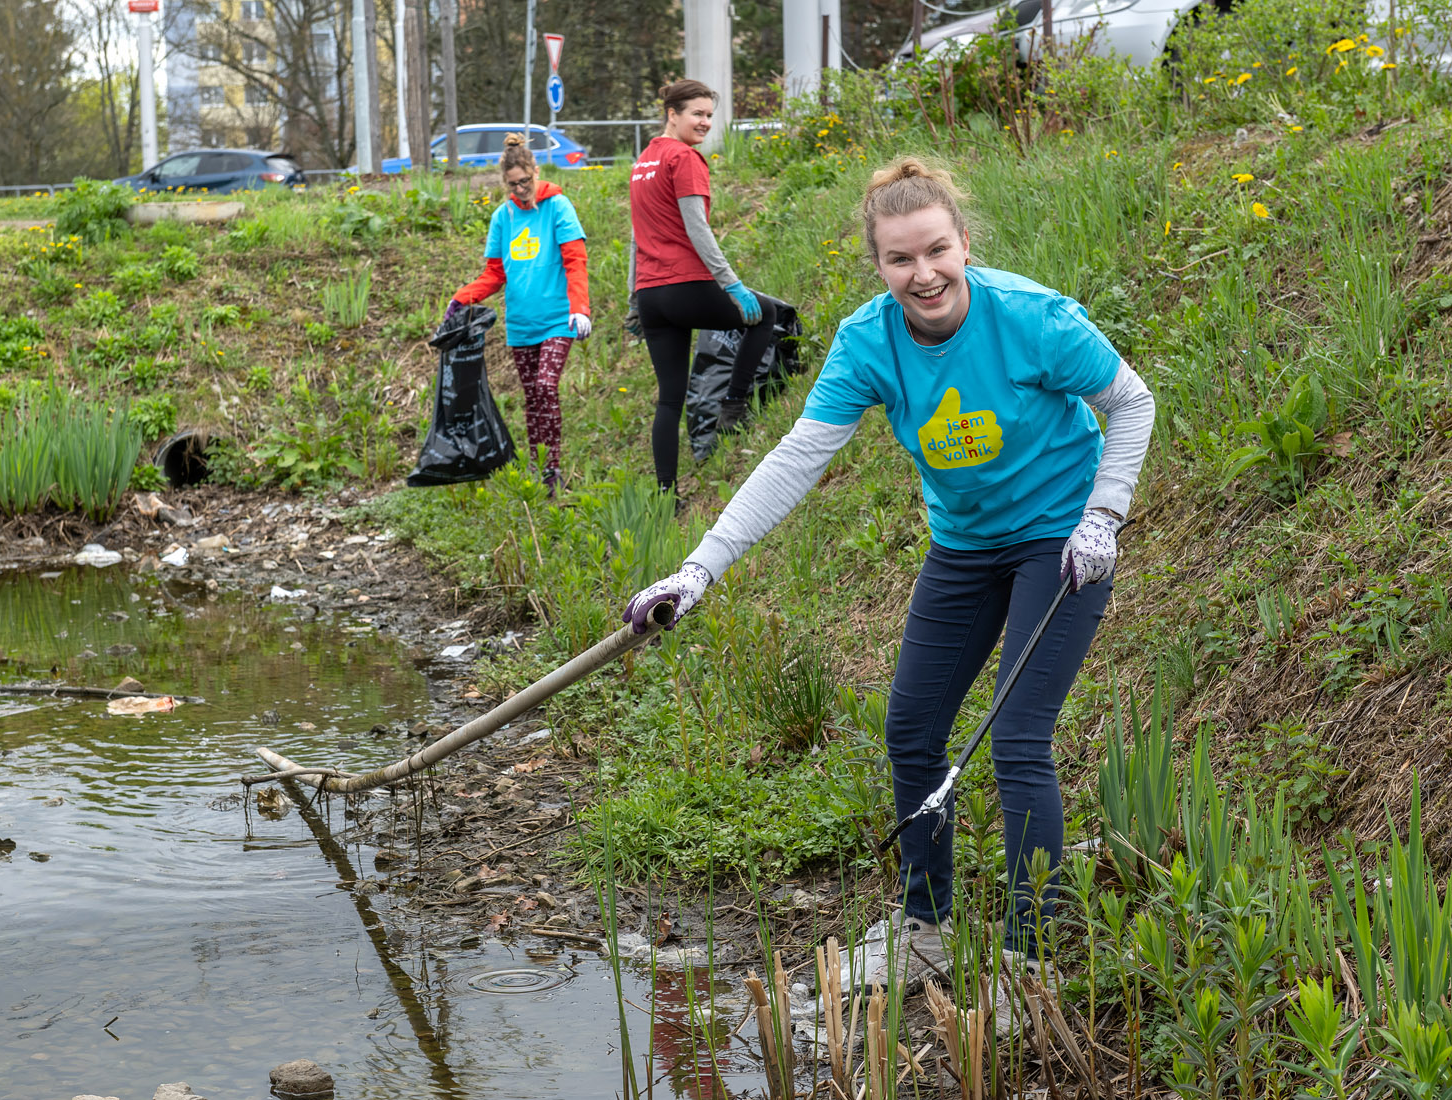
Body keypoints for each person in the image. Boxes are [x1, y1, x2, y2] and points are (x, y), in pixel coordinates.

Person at [621, 157, 1155, 995]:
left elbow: (1132, 403)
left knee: (1017, 737)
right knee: (910, 730)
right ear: (877, 265)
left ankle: (1033, 957)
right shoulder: (868, 341)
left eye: (936, 251)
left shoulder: (1032, 319)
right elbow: (797, 457)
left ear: (963, 244)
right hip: (965, 545)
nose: (923, 273)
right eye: (900, 259)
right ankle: (924, 924)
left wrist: (1104, 516)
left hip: (1059, 540)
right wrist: (698, 569)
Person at [627, 79, 778, 499]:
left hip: (651, 297)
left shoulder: (643, 162)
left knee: (669, 399)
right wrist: (733, 285)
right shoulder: (684, 158)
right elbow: (698, 229)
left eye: (710, 115)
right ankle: (733, 406)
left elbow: (637, 235)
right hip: (684, 285)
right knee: (764, 315)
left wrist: (633, 300)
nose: (705, 122)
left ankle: (665, 496)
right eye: (697, 113)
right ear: (672, 114)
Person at [446, 133, 590, 495]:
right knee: (532, 399)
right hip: (522, 326)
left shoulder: (558, 207)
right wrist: (462, 298)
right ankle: (537, 468)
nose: (522, 188)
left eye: (526, 181)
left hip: (559, 319)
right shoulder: (503, 217)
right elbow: (494, 273)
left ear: (536, 171)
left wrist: (580, 308)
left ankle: (552, 468)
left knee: (546, 387)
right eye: (514, 184)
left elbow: (575, 261)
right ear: (505, 183)